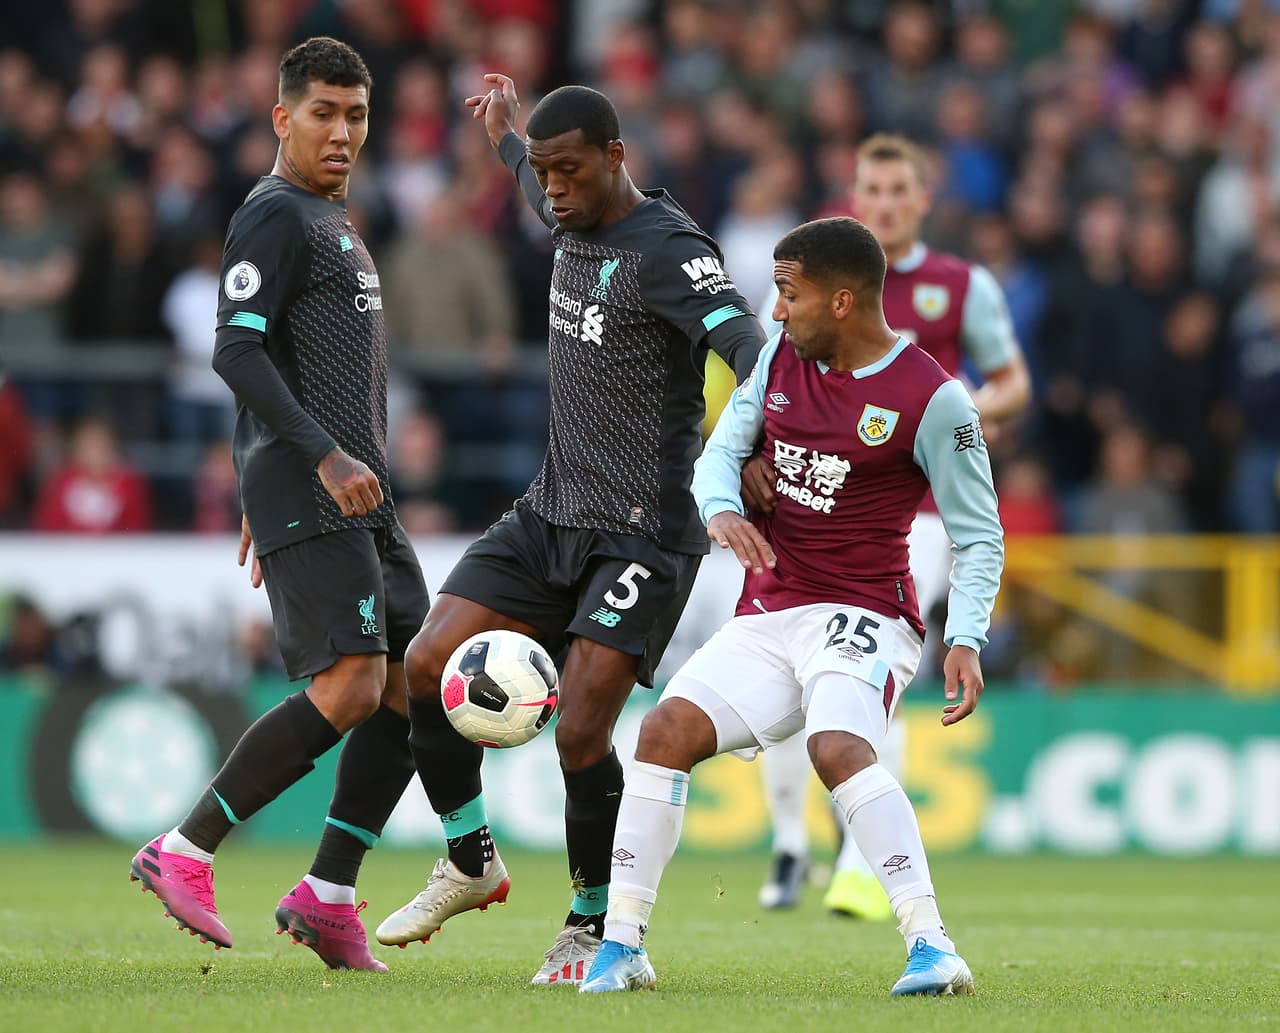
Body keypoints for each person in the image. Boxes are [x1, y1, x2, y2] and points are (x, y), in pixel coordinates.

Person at [373, 75, 765, 986]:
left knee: (580, 735)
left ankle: (593, 927)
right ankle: (470, 860)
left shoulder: (670, 248)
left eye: (569, 170)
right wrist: (508, 136)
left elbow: (747, 343)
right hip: (551, 511)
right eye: (543, 173)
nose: (551, 187)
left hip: (642, 533)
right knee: (425, 663)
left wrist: (750, 443)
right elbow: (528, 168)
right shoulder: (566, 205)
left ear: (616, 158)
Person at [579, 216, 1003, 996]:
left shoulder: (934, 400)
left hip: (866, 612)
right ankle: (623, 945)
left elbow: (981, 536)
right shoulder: (778, 359)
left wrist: (966, 636)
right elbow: (719, 453)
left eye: (788, 293)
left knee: (837, 745)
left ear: (842, 300)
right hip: (772, 608)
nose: (774, 313)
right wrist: (722, 510)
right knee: (664, 730)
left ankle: (933, 946)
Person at [128, 37, 430, 973]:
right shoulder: (273, 214)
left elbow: (278, 365)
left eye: (357, 115)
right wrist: (309, 459)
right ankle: (183, 848)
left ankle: (329, 894)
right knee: (348, 684)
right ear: (281, 119)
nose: (343, 133)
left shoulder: (331, 217)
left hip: (352, 484)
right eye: (323, 114)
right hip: (323, 479)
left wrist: (282, 458)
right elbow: (235, 349)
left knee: (415, 680)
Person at [755, 133, 1030, 918]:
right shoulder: (815, 275)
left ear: (921, 201)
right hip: (813, 501)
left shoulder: (958, 285)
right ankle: (787, 846)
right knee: (787, 656)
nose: (882, 204)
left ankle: (854, 858)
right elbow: (766, 366)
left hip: (921, 512)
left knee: (871, 660)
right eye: (869, 191)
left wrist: (965, 415)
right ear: (854, 198)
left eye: (896, 191)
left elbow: (1015, 382)